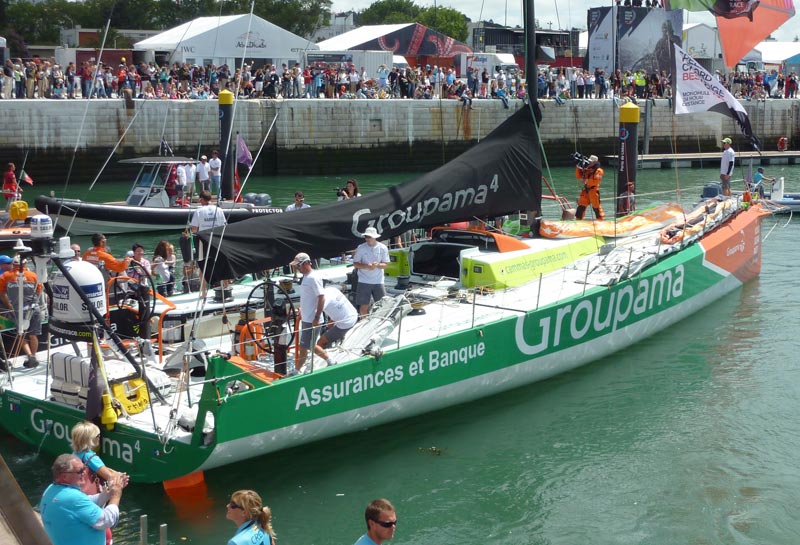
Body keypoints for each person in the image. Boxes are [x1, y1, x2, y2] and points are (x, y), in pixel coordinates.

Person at [40, 453, 128, 545]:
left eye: (84, 468)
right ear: (64, 476)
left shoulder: (50, 490)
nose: (84, 473)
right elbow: (105, 520)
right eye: (80, 471)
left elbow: (87, 502)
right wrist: (116, 495)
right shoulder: (72, 498)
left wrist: (109, 492)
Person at [0, 256, 43, 368]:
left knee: (21, 334)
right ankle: (33, 356)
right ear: (24, 265)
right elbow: (39, 291)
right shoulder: (33, 275)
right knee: (33, 334)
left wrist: (9, 305)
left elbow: (2, 292)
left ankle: (30, 356)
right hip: (34, 308)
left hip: (18, 310)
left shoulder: (6, 276)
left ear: (13, 265)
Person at [289, 252, 323, 375]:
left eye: (298, 266)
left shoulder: (313, 278)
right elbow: (309, 298)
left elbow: (321, 297)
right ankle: (297, 370)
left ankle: (296, 370)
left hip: (312, 319)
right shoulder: (307, 278)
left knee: (307, 346)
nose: (297, 268)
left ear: (306, 263)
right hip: (307, 318)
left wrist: (317, 317)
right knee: (307, 346)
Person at [191, 190, 227, 294]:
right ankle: (226, 285)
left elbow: (194, 229)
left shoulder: (199, 211)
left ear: (202, 199)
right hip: (217, 241)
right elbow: (224, 225)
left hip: (203, 242)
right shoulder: (219, 210)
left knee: (203, 266)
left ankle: (203, 292)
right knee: (220, 263)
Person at [314, 286, 357, 365]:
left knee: (320, 342)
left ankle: (320, 362)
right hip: (354, 315)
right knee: (329, 326)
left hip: (345, 323)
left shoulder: (324, 300)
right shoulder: (332, 289)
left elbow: (315, 316)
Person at [353, 227, 389, 317]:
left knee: (382, 305)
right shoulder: (361, 248)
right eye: (366, 237)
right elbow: (355, 264)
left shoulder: (383, 248)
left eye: (369, 237)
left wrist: (377, 265)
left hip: (378, 281)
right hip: (364, 281)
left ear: (375, 237)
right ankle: (363, 325)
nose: (367, 239)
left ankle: (379, 324)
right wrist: (367, 266)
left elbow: (386, 264)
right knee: (364, 305)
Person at [574, 155, 605, 220]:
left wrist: (585, 180)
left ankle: (600, 220)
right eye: (589, 161)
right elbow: (578, 176)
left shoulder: (599, 171)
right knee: (581, 206)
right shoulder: (587, 169)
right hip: (586, 190)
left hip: (593, 190)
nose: (589, 163)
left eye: (591, 162)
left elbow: (595, 180)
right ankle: (578, 220)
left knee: (596, 207)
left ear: (595, 162)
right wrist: (578, 167)